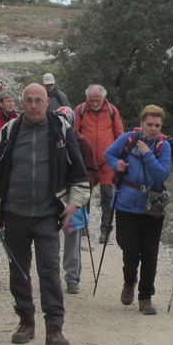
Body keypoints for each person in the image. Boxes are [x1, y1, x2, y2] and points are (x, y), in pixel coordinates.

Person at [0, 84, 89, 345]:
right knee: (18, 271)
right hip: (14, 214)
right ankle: (25, 321)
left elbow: (79, 171)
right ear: (21, 103)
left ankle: (54, 328)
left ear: (47, 102)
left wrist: (74, 203)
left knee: (49, 270)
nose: (33, 105)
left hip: (47, 215)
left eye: (38, 100)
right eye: (28, 100)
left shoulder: (61, 130)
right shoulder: (9, 132)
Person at [104, 105, 171, 315]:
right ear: (141, 124)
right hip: (125, 203)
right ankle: (129, 281)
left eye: (157, 125)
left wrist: (147, 154)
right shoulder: (128, 139)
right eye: (149, 124)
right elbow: (108, 154)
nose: (153, 128)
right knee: (130, 248)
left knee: (150, 253)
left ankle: (146, 297)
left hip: (152, 206)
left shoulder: (163, 146)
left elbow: (162, 175)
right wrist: (117, 165)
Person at [55, 106, 100, 294]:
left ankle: (72, 277)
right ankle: (50, 275)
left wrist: (82, 187)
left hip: (74, 198)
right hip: (52, 196)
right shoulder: (47, 141)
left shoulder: (82, 142)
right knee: (49, 238)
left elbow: (94, 173)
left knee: (73, 239)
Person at [74, 85, 124, 244]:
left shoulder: (111, 110)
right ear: (87, 98)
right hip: (86, 160)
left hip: (107, 161)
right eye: (92, 100)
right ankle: (82, 227)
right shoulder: (80, 110)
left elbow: (119, 134)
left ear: (103, 98)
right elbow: (74, 132)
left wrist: (120, 155)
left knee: (108, 195)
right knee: (84, 194)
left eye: (98, 100)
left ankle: (105, 231)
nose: (95, 103)